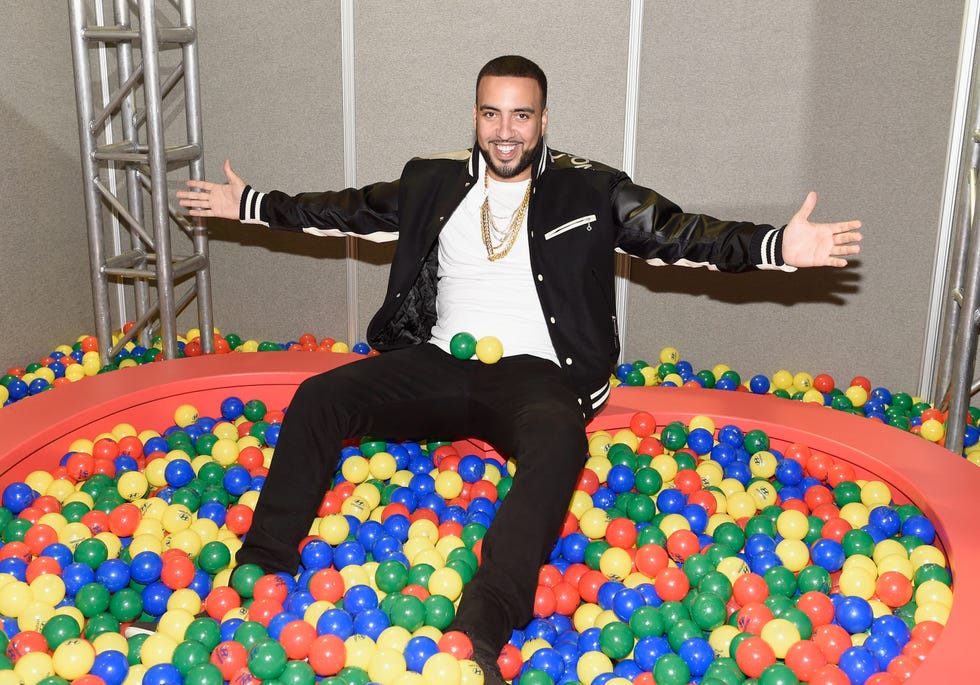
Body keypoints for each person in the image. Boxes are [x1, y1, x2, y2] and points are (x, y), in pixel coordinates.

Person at [177, 55, 861, 683]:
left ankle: (480, 628)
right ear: (474, 115)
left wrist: (777, 245)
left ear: (543, 120)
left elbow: (679, 235)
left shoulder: (589, 190)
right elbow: (345, 209)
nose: (505, 131)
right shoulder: (433, 181)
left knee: (562, 441)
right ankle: (260, 568)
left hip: (538, 376)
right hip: (441, 362)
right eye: (491, 114)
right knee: (319, 397)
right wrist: (252, 203)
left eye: (521, 115)